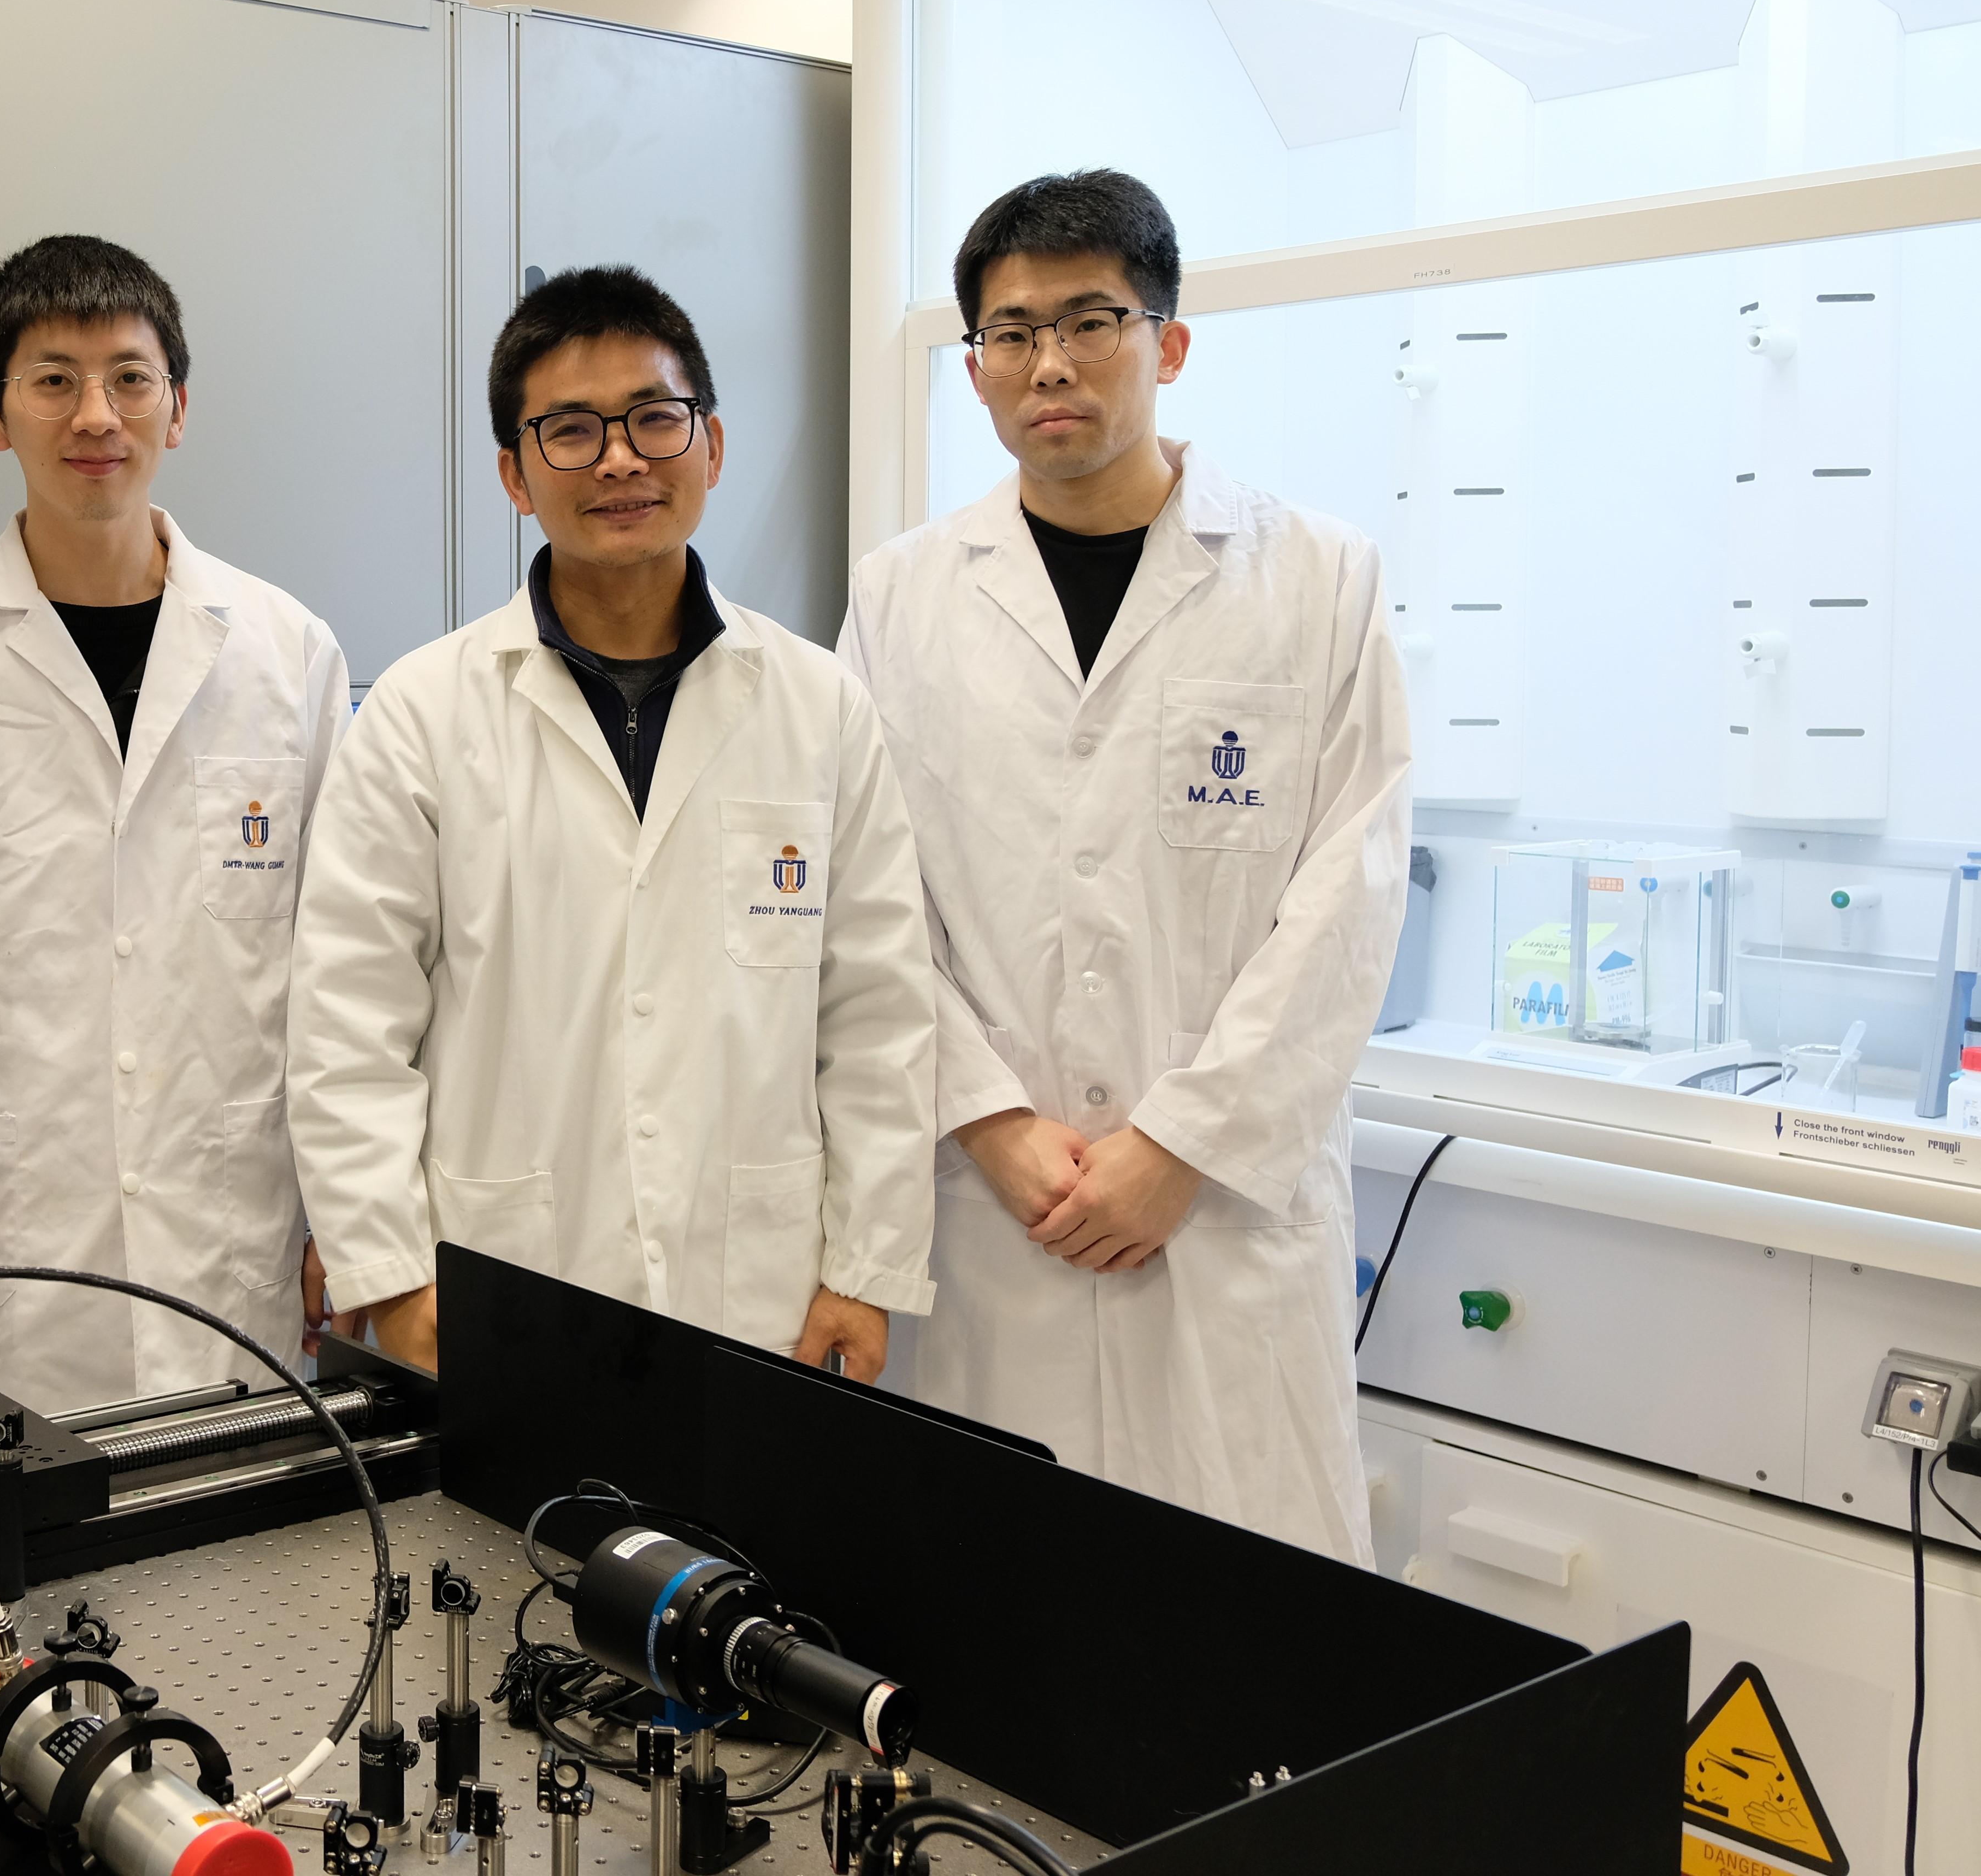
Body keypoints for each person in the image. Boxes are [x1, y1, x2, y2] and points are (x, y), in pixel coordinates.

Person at [836, 170, 1410, 1564]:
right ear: (973, 366)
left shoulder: (1318, 579)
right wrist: (987, 1118)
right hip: (996, 1211)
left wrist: (1178, 1145)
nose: (1049, 363)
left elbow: (1350, 895)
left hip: (1219, 1228)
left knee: (1243, 1634)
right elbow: (868, 902)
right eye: (1010, 330)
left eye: (1090, 319)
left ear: (1168, 339)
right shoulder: (901, 594)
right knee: (999, 1619)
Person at [288, 266, 939, 1377]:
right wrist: (391, 1272)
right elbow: (349, 1024)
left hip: (765, 1294)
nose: (622, 458)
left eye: (654, 418)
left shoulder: (820, 703)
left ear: (713, 445)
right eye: (572, 431)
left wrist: (866, 1268)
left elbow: (878, 1013)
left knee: (745, 1550)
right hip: (500, 1278)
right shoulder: (422, 709)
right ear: (513, 471)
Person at [0, 236, 350, 1415]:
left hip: (234, 1248)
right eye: (52, 378)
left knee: (240, 1569)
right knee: (8, 1576)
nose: (95, 415)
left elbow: (338, 970)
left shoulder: (290, 652)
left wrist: (345, 1220)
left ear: (180, 405)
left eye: (130, 376)